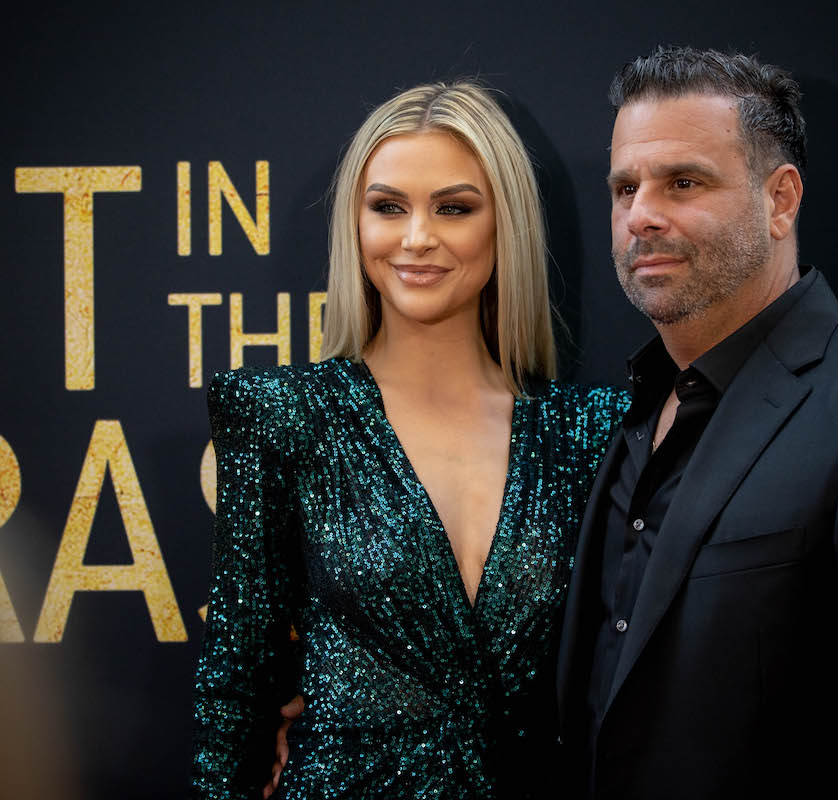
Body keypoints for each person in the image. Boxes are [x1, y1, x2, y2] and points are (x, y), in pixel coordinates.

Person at [554, 47, 838, 797]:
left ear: (780, 200)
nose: (640, 215)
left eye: (684, 182)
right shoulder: (634, 408)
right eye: (624, 188)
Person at [190, 81, 627, 799]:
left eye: (453, 208)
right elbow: (235, 687)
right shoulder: (284, 416)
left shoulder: (591, 431)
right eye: (387, 207)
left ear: (504, 223)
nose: (416, 237)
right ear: (354, 225)